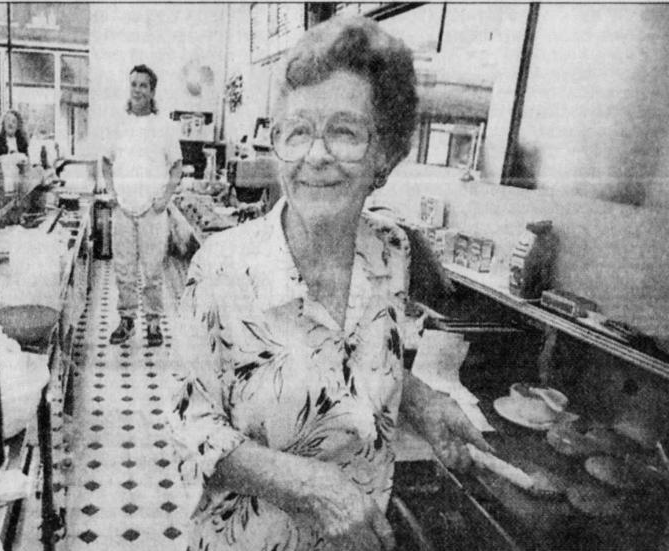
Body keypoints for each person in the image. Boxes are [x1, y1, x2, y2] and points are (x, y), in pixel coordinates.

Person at [168, 16, 492, 551]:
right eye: (296, 132)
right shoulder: (221, 270)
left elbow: (346, 361)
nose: (314, 156)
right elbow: (191, 432)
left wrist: (421, 400)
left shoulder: (392, 252)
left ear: (384, 155)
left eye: (343, 131)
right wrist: (309, 487)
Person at [102, 64, 183, 347]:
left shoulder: (165, 127)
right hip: (123, 209)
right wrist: (112, 194)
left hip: (153, 211)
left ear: (152, 91)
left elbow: (176, 168)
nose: (137, 90)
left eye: (143, 85)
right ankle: (126, 321)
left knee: (152, 271)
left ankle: (153, 323)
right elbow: (105, 162)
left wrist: (164, 200)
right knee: (124, 269)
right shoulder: (118, 124)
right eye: (133, 84)